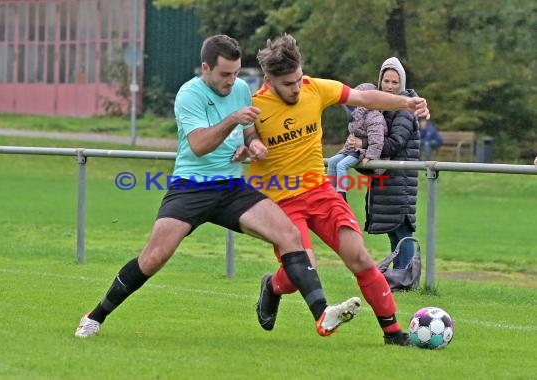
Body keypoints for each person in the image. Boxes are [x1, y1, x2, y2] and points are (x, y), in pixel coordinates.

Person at [74, 35, 361, 339]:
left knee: (289, 234)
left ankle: (322, 315)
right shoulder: (189, 94)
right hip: (191, 187)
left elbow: (249, 132)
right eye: (225, 74)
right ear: (206, 68)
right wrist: (232, 119)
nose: (232, 80)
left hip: (231, 187)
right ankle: (95, 316)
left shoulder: (240, 90)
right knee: (154, 258)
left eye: (236, 73)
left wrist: (254, 145)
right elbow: (199, 145)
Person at [248, 34, 429, 346]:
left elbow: (366, 99)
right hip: (280, 201)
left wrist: (406, 103)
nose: (296, 88)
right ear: (268, 79)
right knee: (300, 271)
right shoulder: (253, 107)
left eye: (298, 78)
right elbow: (236, 139)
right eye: (288, 83)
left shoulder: (314, 88)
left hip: (319, 192)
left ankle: (394, 333)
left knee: (359, 256)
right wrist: (248, 146)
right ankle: (273, 287)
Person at [347, 57, 421, 273]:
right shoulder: (380, 108)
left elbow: (394, 144)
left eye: (394, 82)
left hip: (400, 181)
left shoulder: (404, 110)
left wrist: (363, 143)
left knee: (402, 231)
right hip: (387, 181)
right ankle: (401, 276)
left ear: (402, 84)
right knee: (394, 231)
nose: (389, 87)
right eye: (386, 81)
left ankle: (406, 277)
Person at [327, 82, 388, 202]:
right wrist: (345, 149)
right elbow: (353, 137)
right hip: (354, 150)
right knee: (332, 161)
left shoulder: (374, 116)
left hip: (363, 151)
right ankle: (329, 193)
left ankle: (341, 196)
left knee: (341, 165)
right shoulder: (357, 117)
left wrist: (371, 156)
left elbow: (377, 140)